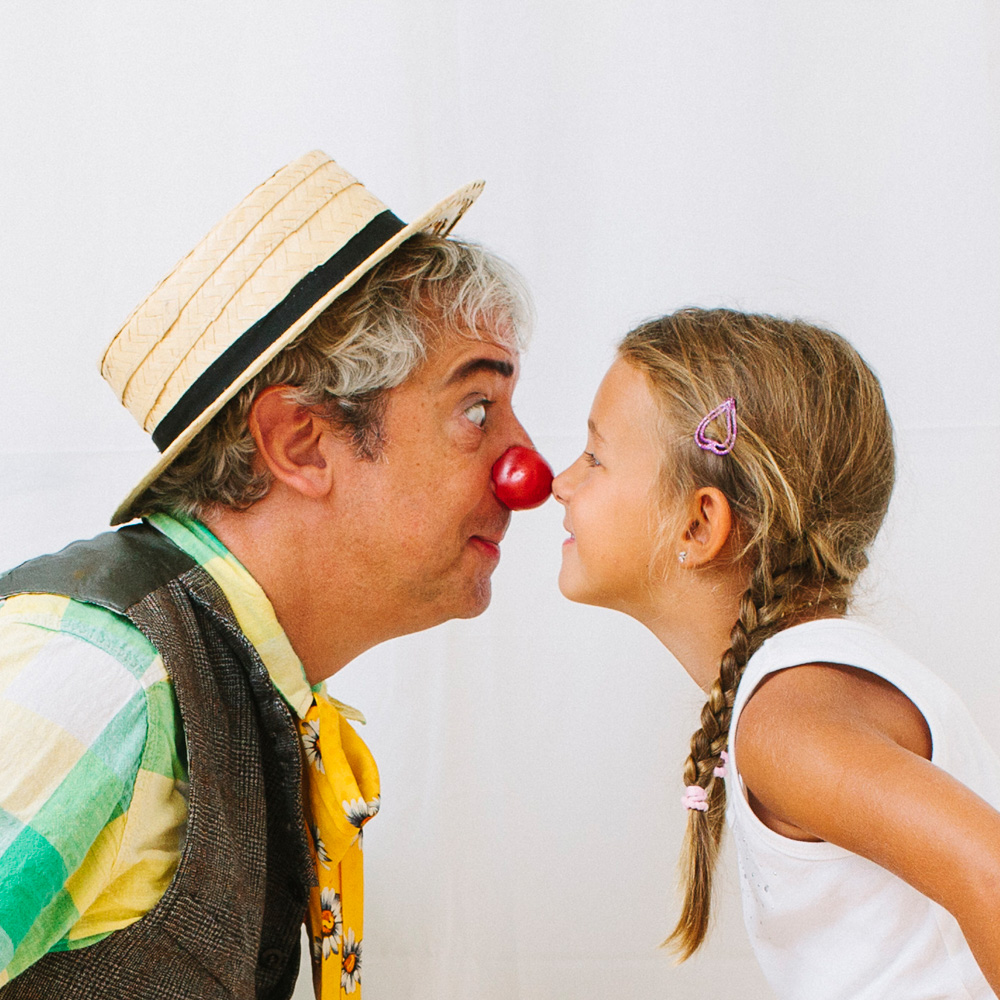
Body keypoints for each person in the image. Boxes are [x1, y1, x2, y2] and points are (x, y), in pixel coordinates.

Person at [0, 150, 535, 999]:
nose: (529, 471)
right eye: (477, 409)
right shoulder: (107, 686)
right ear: (300, 442)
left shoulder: (233, 687)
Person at [551, 308, 1000, 999]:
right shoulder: (803, 688)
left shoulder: (787, 722)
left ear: (700, 524)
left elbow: (992, 872)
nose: (560, 481)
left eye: (595, 457)